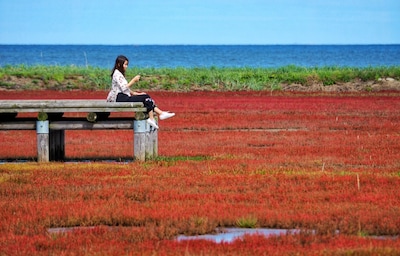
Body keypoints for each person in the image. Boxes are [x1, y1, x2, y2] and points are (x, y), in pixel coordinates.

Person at [107, 55, 175, 129]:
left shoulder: (119, 74)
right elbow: (124, 87)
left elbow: (123, 88)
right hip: (119, 98)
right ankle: (155, 116)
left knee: (145, 96)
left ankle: (158, 115)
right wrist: (134, 80)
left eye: (127, 65)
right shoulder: (117, 74)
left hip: (123, 96)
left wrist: (135, 93)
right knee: (146, 97)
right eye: (125, 64)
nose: (126, 66)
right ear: (119, 64)